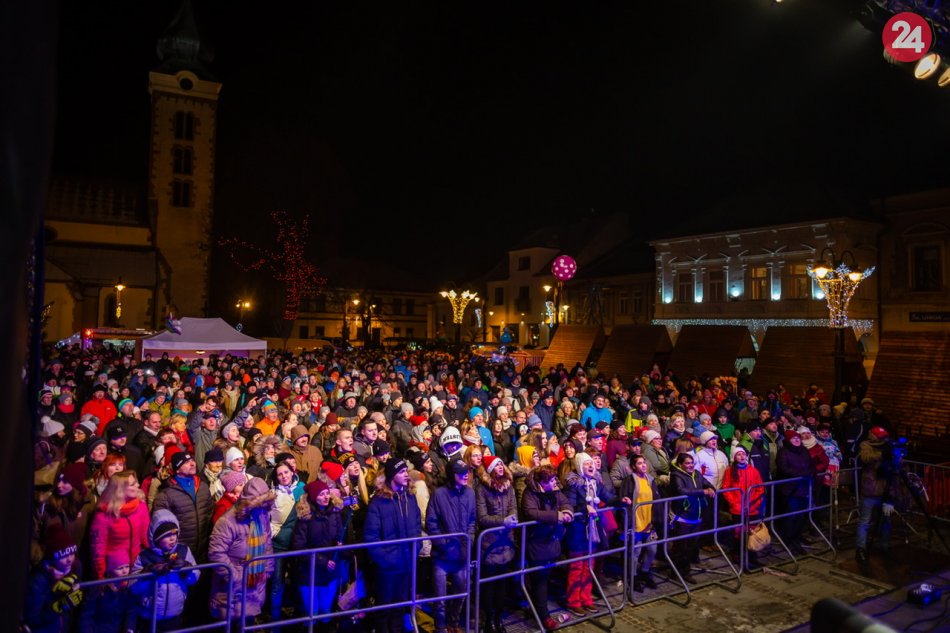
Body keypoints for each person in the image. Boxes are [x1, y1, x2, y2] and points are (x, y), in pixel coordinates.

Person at [563, 452, 631, 615]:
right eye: (587, 464)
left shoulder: (596, 482)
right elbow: (569, 506)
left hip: (592, 529)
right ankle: (573, 601)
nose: (591, 466)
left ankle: (586, 598)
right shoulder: (573, 485)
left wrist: (620, 500)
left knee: (589, 565)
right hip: (578, 530)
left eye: (591, 463)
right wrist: (584, 508)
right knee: (577, 567)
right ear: (580, 466)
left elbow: (608, 497)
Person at [364, 459, 422, 633]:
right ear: (391, 476)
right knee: (384, 609)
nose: (406, 475)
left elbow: (417, 525)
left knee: (400, 607)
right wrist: (386, 561)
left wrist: (416, 549)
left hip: (407, 562)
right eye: (401, 471)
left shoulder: (410, 497)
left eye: (406, 471)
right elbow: (371, 537)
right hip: (387, 568)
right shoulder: (378, 502)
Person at [208, 477, 276, 624]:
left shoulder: (262, 515)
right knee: (233, 625)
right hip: (232, 589)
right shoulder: (227, 522)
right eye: (259, 504)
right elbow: (216, 553)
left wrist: (267, 569)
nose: (262, 508)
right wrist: (237, 577)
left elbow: (267, 543)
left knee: (248, 622)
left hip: (256, 583)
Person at [520, 464, 573, 631]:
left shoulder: (555, 490)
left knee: (543, 578)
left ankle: (535, 609)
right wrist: (556, 516)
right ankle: (543, 616)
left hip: (551, 539)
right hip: (536, 541)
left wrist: (567, 512)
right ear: (542, 482)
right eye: (550, 480)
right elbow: (531, 512)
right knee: (540, 580)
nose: (554, 482)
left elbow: (565, 502)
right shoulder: (530, 493)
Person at [426, 458, 477, 633]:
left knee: (461, 594)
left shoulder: (470, 493)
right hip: (442, 556)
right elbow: (431, 523)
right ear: (451, 475)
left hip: (462, 554)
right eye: (461, 473)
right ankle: (440, 628)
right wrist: (443, 545)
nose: (465, 475)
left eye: (466, 472)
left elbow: (472, 520)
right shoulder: (439, 494)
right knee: (440, 598)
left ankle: (453, 624)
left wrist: (469, 540)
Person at [130, 509, 200, 632]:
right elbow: (133, 587)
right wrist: (148, 572)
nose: (173, 538)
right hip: (149, 615)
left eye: (175, 533)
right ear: (156, 537)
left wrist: (186, 568)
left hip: (175, 612)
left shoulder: (183, 551)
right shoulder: (145, 556)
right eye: (167, 535)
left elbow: (194, 578)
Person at [291, 479, 344, 624]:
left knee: (326, 611)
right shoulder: (305, 517)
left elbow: (339, 535)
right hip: (309, 573)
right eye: (321, 494)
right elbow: (299, 547)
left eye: (327, 493)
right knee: (312, 613)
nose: (326, 497)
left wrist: (340, 545)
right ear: (314, 497)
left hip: (330, 571)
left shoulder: (334, 513)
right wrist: (322, 561)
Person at [475, 454, 518, 633]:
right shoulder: (482, 489)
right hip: (489, 545)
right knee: (489, 585)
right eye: (497, 465)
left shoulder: (509, 487)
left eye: (501, 464)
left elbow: (513, 507)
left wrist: (512, 518)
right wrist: (503, 521)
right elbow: (482, 517)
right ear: (490, 469)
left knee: (502, 584)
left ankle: (499, 618)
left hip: (506, 542)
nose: (501, 467)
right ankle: (489, 619)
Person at [152, 450, 213, 563]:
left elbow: (210, 513)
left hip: (203, 548)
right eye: (186, 462)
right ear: (177, 469)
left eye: (192, 460)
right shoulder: (166, 493)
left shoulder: (203, 486)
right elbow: (161, 524)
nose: (192, 463)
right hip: (180, 551)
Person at [88, 470, 151, 579]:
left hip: (137, 566)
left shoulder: (141, 506)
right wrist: (101, 576)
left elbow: (146, 538)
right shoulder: (104, 515)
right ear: (120, 490)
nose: (138, 485)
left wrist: (152, 558)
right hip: (115, 570)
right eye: (133, 484)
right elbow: (98, 549)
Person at [855, 426, 902, 564]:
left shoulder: (889, 446)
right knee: (865, 522)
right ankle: (861, 549)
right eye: (880, 436)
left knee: (886, 521)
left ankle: (884, 546)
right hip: (870, 490)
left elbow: (897, 467)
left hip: (885, 490)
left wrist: (894, 455)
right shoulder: (866, 445)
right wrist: (882, 454)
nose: (883, 439)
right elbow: (866, 458)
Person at [23, 527, 85, 633]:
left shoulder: (75, 568)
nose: (69, 559)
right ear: (52, 557)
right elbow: (32, 619)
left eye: (72, 554)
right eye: (63, 556)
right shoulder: (39, 580)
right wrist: (60, 605)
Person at [668, 452, 715, 584]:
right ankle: (676, 572)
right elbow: (681, 490)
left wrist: (710, 488)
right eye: (687, 463)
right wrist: (702, 492)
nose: (690, 465)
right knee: (680, 547)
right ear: (680, 464)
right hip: (683, 516)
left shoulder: (697, 474)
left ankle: (685, 570)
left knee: (691, 546)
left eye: (692, 463)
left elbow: (706, 483)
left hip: (696, 515)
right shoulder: (676, 476)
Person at [619, 455, 660, 591]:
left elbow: (657, 499)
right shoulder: (629, 481)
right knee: (635, 552)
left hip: (649, 522)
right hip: (635, 522)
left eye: (644, 462)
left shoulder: (650, 480)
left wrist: (656, 519)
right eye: (639, 463)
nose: (643, 465)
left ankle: (645, 571)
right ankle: (633, 576)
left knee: (652, 549)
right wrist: (627, 523)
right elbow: (624, 501)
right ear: (633, 466)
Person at [721, 446, 764, 564]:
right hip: (738, 508)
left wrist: (755, 503)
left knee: (752, 532)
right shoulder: (730, 471)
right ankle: (738, 555)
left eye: (743, 454)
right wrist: (734, 503)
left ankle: (752, 556)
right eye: (738, 454)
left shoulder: (753, 470)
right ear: (734, 457)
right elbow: (726, 488)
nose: (742, 456)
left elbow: (760, 489)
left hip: (752, 507)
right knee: (738, 533)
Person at [775, 430, 815, 555]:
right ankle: (789, 539)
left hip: (804, 487)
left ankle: (797, 536)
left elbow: (811, 464)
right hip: (790, 489)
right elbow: (783, 468)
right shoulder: (783, 452)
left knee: (802, 515)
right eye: (793, 438)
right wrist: (801, 474)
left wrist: (811, 472)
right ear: (788, 440)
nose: (797, 440)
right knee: (791, 515)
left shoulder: (804, 451)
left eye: (798, 438)